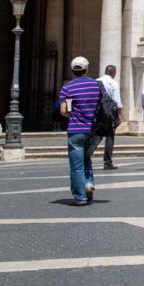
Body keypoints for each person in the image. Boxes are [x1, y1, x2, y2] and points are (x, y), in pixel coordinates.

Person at [58, 57, 101, 206]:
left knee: (76, 165)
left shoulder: (68, 88)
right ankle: (88, 183)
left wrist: (74, 113)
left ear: (72, 70)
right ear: (86, 69)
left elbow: (64, 111)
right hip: (94, 130)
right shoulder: (96, 85)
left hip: (76, 130)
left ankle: (80, 197)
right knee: (86, 158)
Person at [97, 65, 123, 170]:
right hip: (109, 114)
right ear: (113, 73)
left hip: (98, 113)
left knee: (96, 136)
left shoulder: (96, 81)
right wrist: (119, 116)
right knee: (109, 137)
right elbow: (117, 102)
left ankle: (86, 156)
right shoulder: (113, 83)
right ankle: (107, 162)